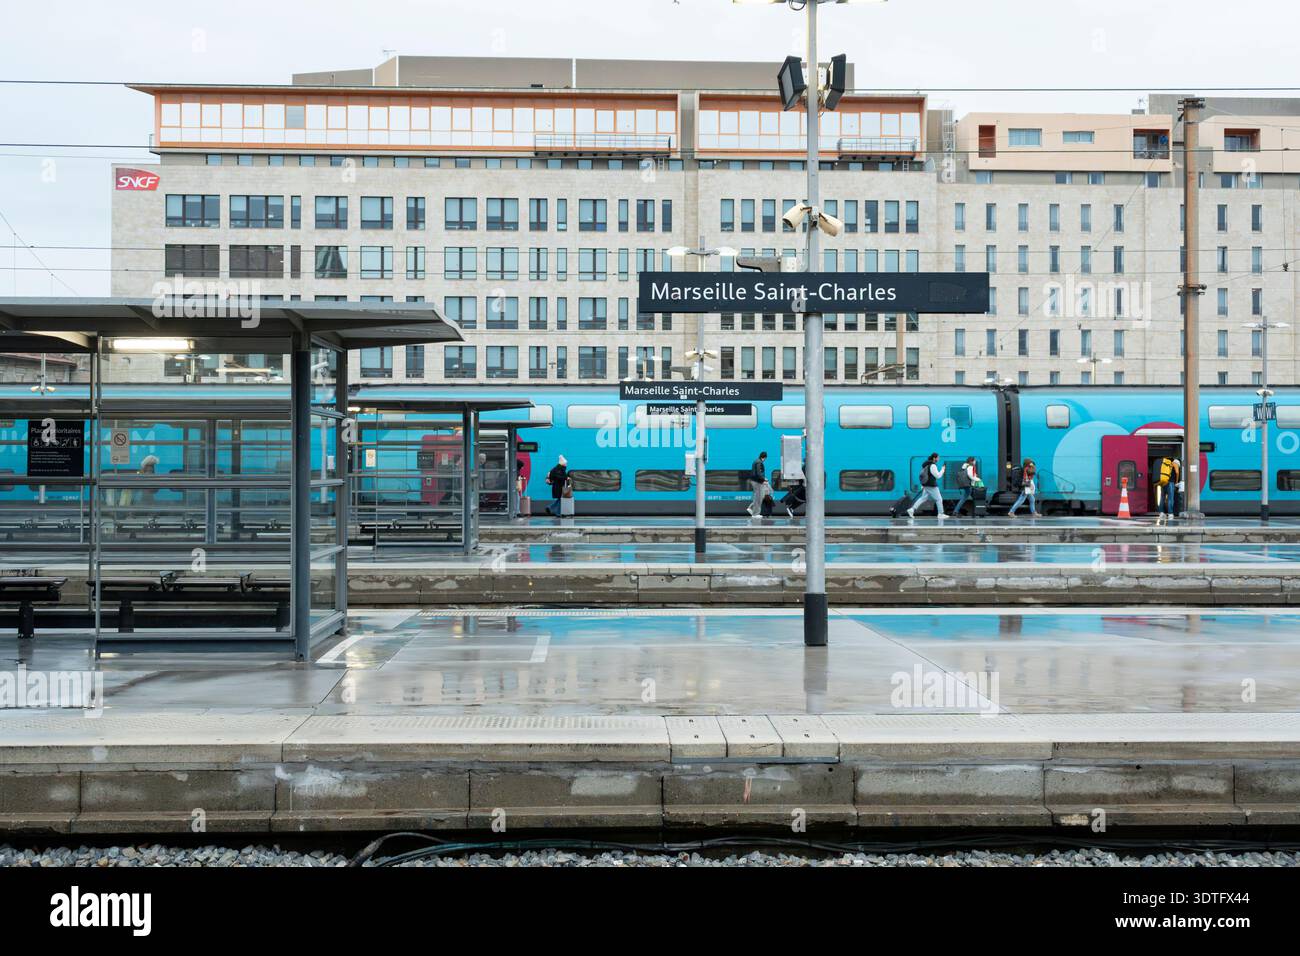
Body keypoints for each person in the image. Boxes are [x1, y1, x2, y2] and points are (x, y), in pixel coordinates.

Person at [906, 453, 946, 519]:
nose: (938, 459)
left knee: (923, 498)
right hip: (931, 485)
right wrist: (943, 470)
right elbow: (938, 476)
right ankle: (940, 514)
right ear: (934, 458)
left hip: (926, 484)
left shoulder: (926, 465)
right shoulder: (932, 465)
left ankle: (911, 510)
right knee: (939, 499)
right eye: (938, 458)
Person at [746, 451, 771, 518]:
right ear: (764, 457)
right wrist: (763, 479)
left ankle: (753, 510)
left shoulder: (756, 461)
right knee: (759, 497)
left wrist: (762, 479)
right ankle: (755, 513)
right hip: (757, 482)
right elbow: (758, 473)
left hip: (756, 481)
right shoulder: (759, 462)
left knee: (757, 496)